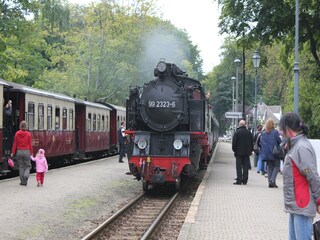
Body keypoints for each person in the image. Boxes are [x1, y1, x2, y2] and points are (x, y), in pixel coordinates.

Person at [279, 112, 320, 239]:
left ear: (287, 128)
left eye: (282, 129)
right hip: (296, 205)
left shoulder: (301, 147)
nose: (281, 132)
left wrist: (319, 199)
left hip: (302, 204)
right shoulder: (296, 146)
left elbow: (312, 176)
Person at [260, 118, 281, 188]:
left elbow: (261, 143)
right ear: (273, 125)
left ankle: (271, 183)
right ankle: (272, 180)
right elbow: (279, 141)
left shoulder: (263, 133)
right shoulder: (275, 132)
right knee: (276, 166)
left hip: (266, 153)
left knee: (270, 167)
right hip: (274, 152)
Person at [11, 120, 33, 186]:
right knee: (28, 166)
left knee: (21, 167)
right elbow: (30, 145)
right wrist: (31, 153)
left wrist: (13, 152)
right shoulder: (28, 134)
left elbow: (15, 144)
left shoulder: (17, 133)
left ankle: (22, 182)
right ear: (26, 126)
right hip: (27, 151)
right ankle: (26, 176)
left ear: (20, 126)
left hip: (19, 151)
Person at [232, 119, 253, 185]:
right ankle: (245, 180)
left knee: (238, 167)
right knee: (245, 167)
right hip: (247, 153)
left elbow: (234, 143)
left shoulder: (237, 132)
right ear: (245, 125)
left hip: (238, 153)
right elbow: (251, 142)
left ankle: (239, 180)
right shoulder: (249, 132)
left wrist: (234, 150)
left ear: (239, 125)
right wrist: (250, 151)